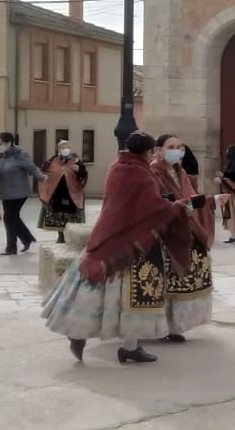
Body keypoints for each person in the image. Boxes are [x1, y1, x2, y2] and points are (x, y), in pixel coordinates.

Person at [41, 131, 203, 365]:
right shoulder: (142, 174)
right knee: (135, 296)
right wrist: (184, 204)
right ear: (149, 152)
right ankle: (129, 346)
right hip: (134, 243)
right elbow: (154, 208)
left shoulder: (117, 167)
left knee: (94, 292)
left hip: (107, 235)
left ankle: (79, 331)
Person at [155, 133, 215, 340]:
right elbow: (161, 202)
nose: (177, 150)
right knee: (167, 281)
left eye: (180, 147)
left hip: (186, 226)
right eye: (171, 146)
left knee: (188, 275)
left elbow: (190, 198)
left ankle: (175, 326)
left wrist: (212, 200)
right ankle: (161, 326)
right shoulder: (153, 172)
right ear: (159, 150)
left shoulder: (180, 172)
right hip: (166, 232)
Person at [0, 132, 46, 256]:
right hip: (6, 193)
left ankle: (11, 247)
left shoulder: (20, 154)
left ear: (9, 143)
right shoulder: (1, 156)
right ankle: (27, 238)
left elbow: (32, 168)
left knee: (9, 217)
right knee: (12, 218)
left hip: (19, 192)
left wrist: (42, 178)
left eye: (1, 144)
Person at [38, 140, 89, 243]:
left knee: (71, 215)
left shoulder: (76, 160)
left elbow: (84, 174)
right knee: (57, 215)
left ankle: (70, 235)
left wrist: (79, 170)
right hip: (57, 192)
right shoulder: (53, 160)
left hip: (72, 193)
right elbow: (45, 172)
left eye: (66, 147)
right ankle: (60, 235)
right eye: (62, 147)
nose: (64, 149)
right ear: (58, 149)